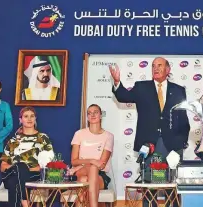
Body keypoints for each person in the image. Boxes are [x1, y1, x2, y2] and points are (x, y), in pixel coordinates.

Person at [109, 57, 190, 207]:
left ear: (168, 69)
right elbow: (122, 96)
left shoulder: (179, 90)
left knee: (172, 186)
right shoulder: (142, 87)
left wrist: (180, 146)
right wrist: (117, 82)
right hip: (149, 143)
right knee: (149, 185)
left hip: (172, 145)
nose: (156, 68)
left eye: (160, 65)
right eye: (153, 66)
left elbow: (183, 120)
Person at [0, 107, 54, 207]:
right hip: (11, 174)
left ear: (35, 119)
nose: (29, 119)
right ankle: (25, 200)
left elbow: (47, 164)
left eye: (32, 116)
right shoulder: (13, 141)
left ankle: (25, 202)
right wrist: (19, 168)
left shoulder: (43, 138)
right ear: (20, 120)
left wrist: (24, 169)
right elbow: (3, 166)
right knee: (19, 167)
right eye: (26, 116)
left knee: (14, 182)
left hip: (33, 176)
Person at [70, 104, 114, 207]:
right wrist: (92, 161)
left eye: (95, 112)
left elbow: (101, 164)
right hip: (80, 171)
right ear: (87, 117)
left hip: (100, 174)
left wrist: (90, 162)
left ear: (101, 115)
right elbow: (74, 161)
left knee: (86, 178)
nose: (92, 115)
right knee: (90, 169)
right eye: (89, 113)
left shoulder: (109, 136)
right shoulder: (79, 134)